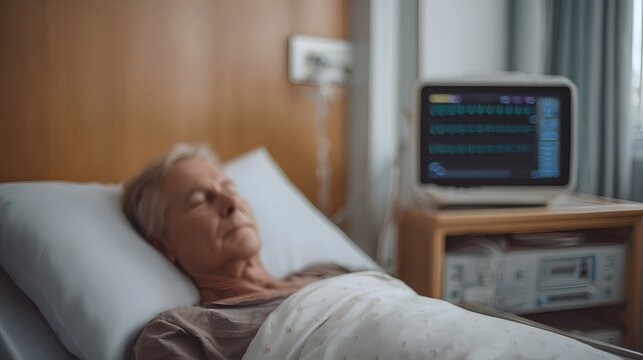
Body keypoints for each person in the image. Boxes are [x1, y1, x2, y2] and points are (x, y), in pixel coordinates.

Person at [122, 143, 349, 359]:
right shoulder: (180, 335)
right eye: (200, 200)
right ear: (163, 245)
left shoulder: (329, 272)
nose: (231, 202)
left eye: (230, 188)